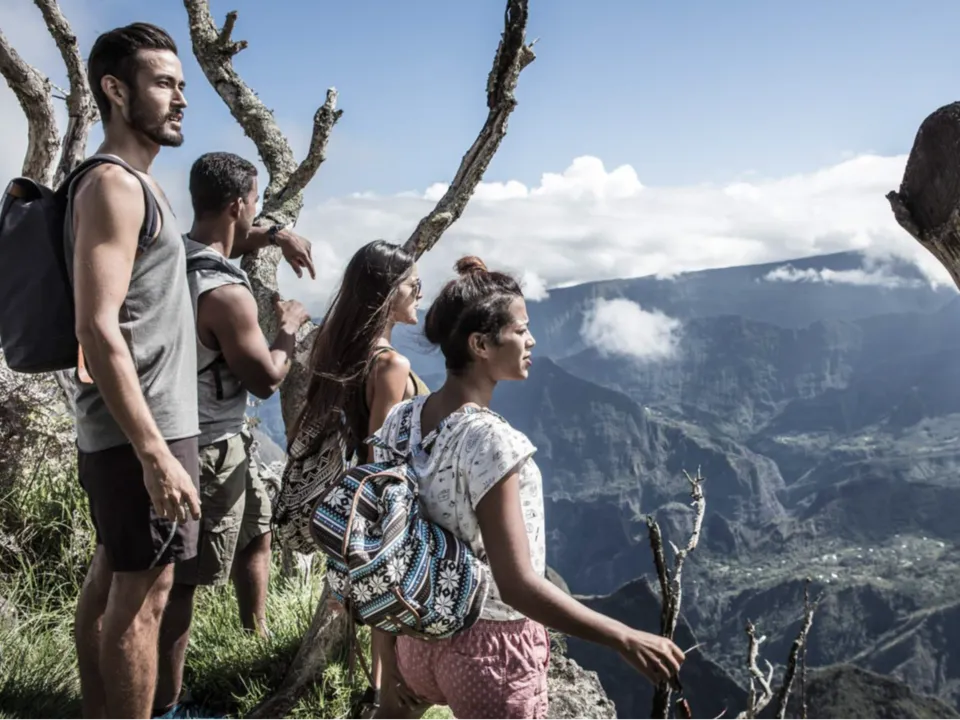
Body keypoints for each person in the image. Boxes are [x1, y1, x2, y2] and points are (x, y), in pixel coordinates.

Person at [370, 257, 686, 720]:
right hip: (488, 652)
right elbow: (516, 586)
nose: (531, 340)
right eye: (521, 330)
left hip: (417, 635)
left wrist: (386, 653)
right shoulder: (491, 442)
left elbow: (384, 545)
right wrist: (624, 637)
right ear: (480, 344)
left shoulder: (401, 421)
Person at [66, 23, 201, 720]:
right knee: (144, 601)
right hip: (142, 428)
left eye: (182, 84)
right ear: (115, 91)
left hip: (132, 427)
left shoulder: (138, 186)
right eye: (164, 84)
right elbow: (98, 326)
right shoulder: (114, 187)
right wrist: (155, 454)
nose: (181, 99)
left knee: (113, 581)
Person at [152, 152, 314, 716]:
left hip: (217, 433)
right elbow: (266, 380)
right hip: (208, 445)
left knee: (255, 533)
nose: (257, 212)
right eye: (255, 202)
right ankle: (168, 706)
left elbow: (235, 239)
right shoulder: (225, 293)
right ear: (237, 204)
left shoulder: (178, 254)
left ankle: (255, 640)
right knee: (183, 582)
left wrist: (278, 235)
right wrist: (288, 328)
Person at [288, 239, 427, 716]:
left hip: (342, 503)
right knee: (390, 613)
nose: (420, 295)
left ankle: (374, 696)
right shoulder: (390, 364)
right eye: (414, 286)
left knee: (373, 611)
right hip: (380, 506)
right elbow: (380, 454)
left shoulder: (339, 348)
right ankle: (382, 700)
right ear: (388, 293)